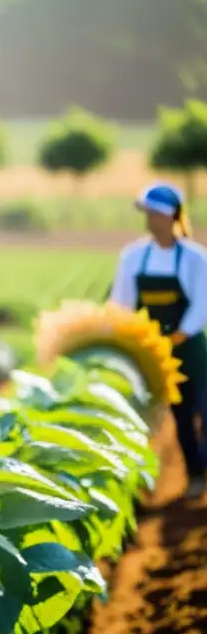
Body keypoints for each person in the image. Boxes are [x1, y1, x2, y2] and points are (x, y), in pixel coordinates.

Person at [109, 182, 207, 498]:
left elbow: (202, 302)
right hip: (151, 350)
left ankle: (200, 467)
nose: (149, 220)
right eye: (147, 213)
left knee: (201, 410)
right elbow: (122, 303)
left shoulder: (194, 258)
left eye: (155, 214)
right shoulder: (134, 256)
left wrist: (180, 333)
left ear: (171, 217)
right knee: (174, 416)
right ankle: (190, 474)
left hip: (189, 347)